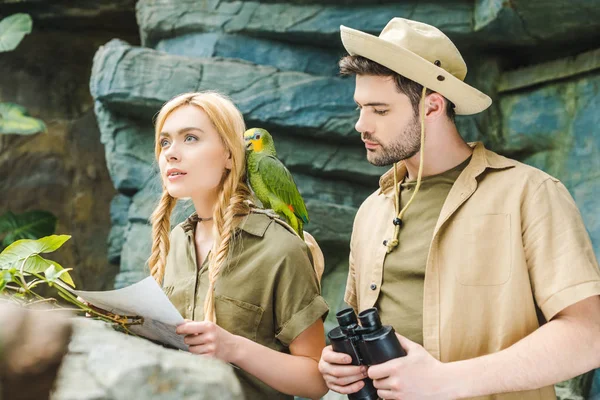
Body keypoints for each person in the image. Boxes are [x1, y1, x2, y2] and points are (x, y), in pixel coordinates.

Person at [318, 17, 600, 399]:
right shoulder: (371, 211)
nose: (360, 125)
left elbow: (589, 335)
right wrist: (340, 367)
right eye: (360, 108)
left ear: (432, 106)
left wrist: (446, 381)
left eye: (379, 110)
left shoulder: (529, 193)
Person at [148, 91, 329, 400]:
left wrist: (232, 347)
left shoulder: (279, 247)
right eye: (165, 142)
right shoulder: (173, 243)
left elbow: (316, 381)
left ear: (231, 154)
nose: (171, 153)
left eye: (190, 138)